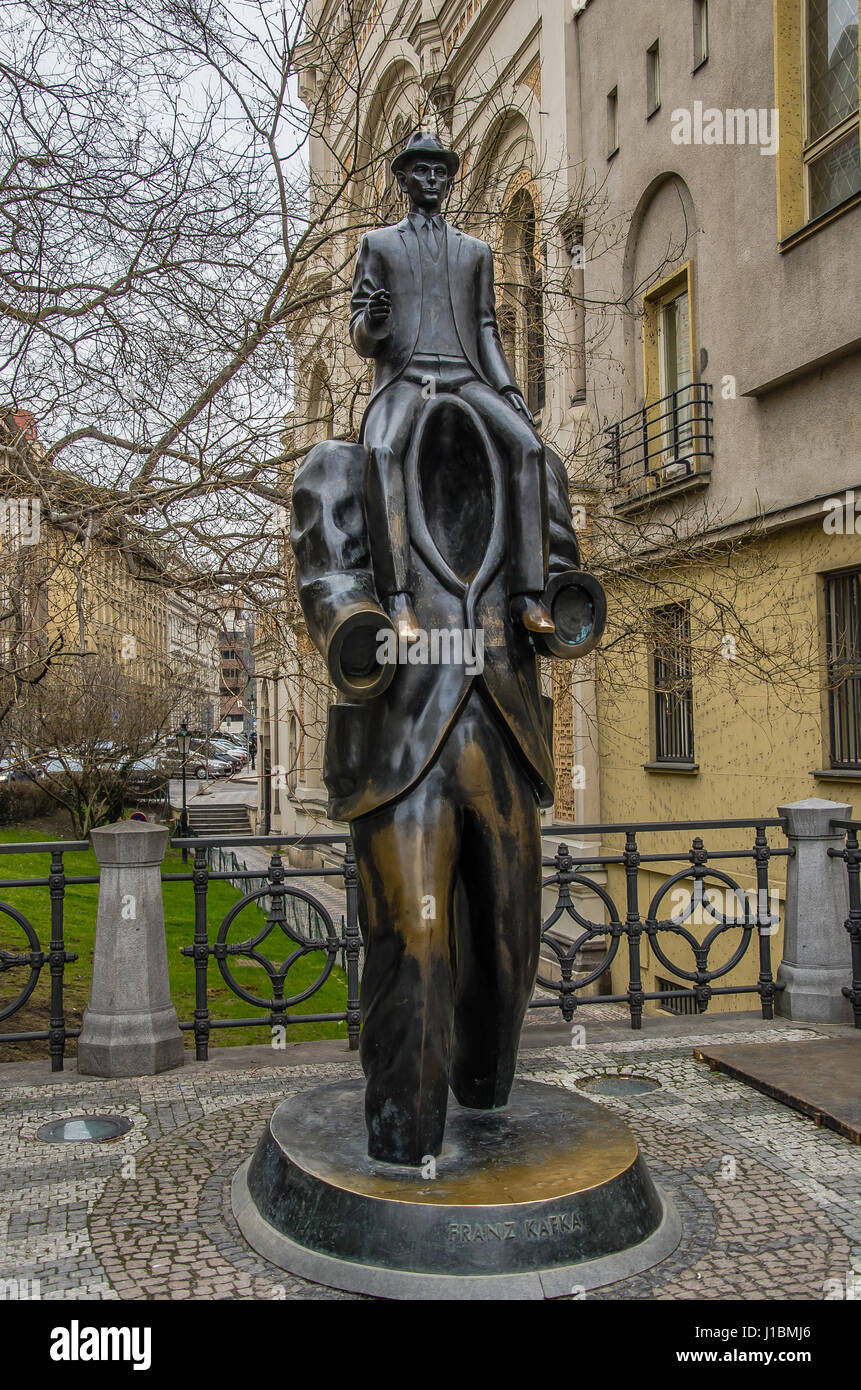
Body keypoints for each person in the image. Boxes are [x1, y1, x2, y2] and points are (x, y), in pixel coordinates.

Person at [350, 130, 554, 642]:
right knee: (380, 452)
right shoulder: (377, 245)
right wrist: (374, 322)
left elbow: (487, 327)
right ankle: (398, 599)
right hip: (405, 378)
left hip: (465, 377)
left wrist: (508, 389)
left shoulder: (476, 253)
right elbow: (361, 336)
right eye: (422, 170)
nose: (433, 179)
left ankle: (528, 595)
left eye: (441, 171)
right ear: (403, 179)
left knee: (528, 447)